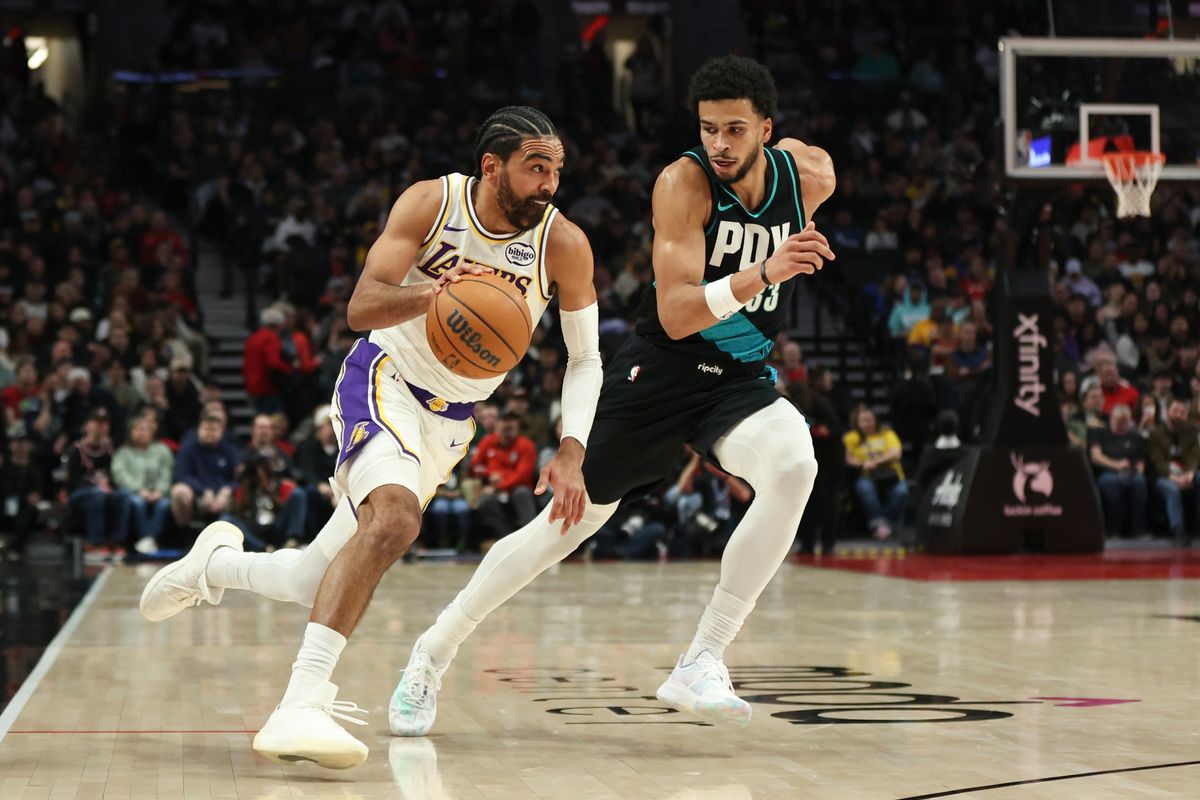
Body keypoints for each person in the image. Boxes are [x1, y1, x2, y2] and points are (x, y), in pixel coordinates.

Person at [138, 106, 600, 769]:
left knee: (313, 578)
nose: (550, 184)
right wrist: (435, 297)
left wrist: (572, 447)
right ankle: (301, 703)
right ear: (492, 166)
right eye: (536, 168)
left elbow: (585, 360)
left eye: (557, 170)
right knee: (395, 521)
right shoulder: (432, 203)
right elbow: (361, 306)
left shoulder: (564, 244)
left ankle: (212, 566)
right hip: (384, 378)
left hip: (450, 423)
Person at [391, 55, 834, 734]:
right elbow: (679, 314)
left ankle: (703, 658)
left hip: (738, 379)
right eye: (708, 128)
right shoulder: (682, 184)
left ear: (767, 130)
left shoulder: (810, 177)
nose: (719, 143)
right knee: (563, 529)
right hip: (659, 373)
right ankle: (433, 650)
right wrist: (765, 272)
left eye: (735, 130)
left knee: (796, 464)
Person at [1089, 404, 1148, 538]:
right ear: (1112, 419)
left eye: (1125, 422)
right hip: (1107, 472)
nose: (1122, 425)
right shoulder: (1099, 432)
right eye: (1118, 421)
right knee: (1112, 484)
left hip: (1131, 473)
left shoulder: (1135, 436)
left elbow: (1140, 460)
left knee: (1139, 483)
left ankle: (1139, 530)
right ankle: (1113, 530)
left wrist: (1139, 470)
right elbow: (1096, 457)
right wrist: (1116, 465)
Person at [1147, 398, 1200, 546]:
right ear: (1167, 412)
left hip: (1185, 474)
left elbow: (1194, 457)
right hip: (1161, 476)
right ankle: (1178, 530)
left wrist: (1190, 474)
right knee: (1173, 490)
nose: (1178, 415)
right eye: (1175, 411)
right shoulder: (1155, 433)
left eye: (1182, 412)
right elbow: (1157, 463)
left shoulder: (1190, 432)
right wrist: (1176, 479)